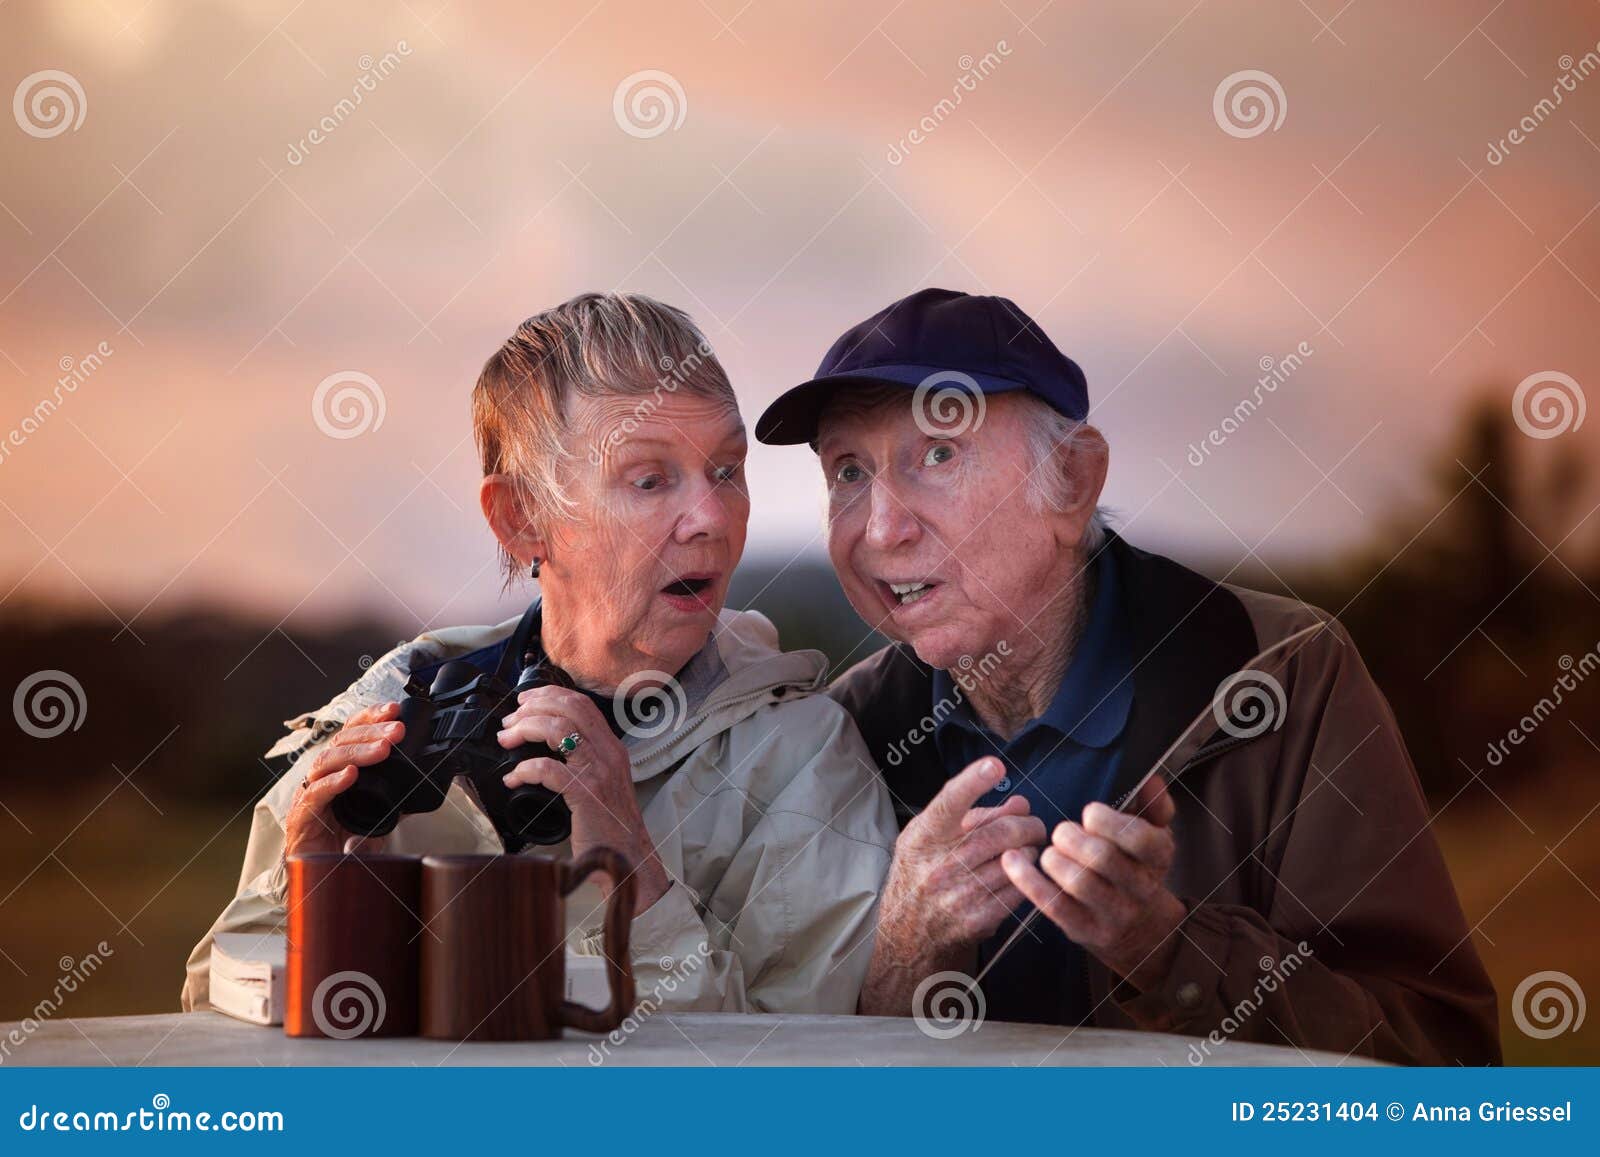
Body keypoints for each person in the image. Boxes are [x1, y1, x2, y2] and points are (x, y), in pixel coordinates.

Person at [754, 287, 1501, 1064]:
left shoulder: (1283, 675)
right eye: (847, 471)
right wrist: (905, 948)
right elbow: (799, 1093)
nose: (881, 527)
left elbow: (1438, 1062)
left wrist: (1168, 952)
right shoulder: (840, 735)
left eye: (939, 454)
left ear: (1073, 483)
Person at [182, 292, 896, 1015]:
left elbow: (803, 1078)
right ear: (522, 519)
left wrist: (630, 874)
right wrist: (308, 893)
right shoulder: (395, 705)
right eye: (650, 479)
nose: (712, 517)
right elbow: (210, 1013)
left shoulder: (803, 758)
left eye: (726, 470)